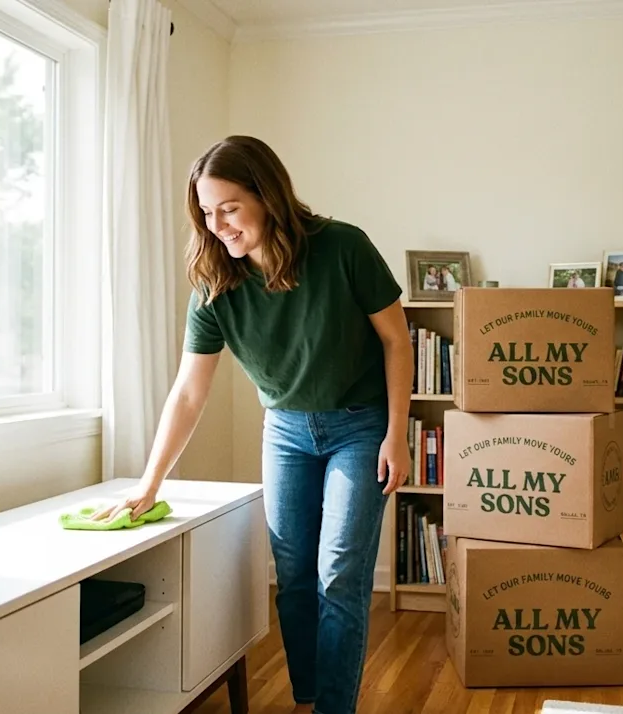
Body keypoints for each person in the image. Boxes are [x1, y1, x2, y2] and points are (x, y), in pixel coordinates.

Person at [92, 135, 413, 714]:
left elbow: (396, 339)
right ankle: (311, 694)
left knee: (338, 570)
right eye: (206, 212)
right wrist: (149, 483)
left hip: (360, 425)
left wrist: (397, 433)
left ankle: (333, 709)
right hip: (287, 431)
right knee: (291, 574)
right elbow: (190, 391)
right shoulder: (216, 283)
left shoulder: (343, 247)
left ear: (267, 196)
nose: (218, 225)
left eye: (230, 208)